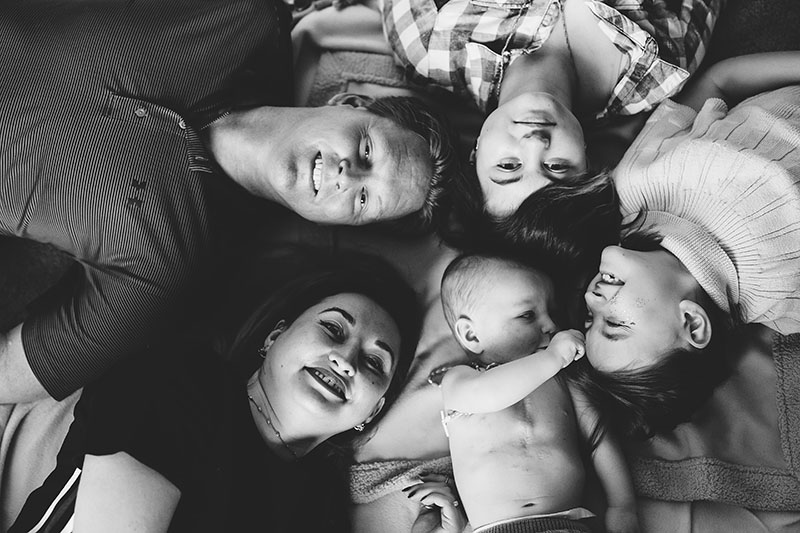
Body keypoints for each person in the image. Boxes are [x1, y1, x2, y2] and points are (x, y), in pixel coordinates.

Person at [0, 0, 458, 406]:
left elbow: (14, 374)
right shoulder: (246, 16)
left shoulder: (165, 268)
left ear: (342, 224)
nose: (347, 175)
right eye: (365, 151)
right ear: (351, 102)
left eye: (362, 199)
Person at [8, 247, 421, 533]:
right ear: (274, 337)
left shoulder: (321, 513)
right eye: (333, 328)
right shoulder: (181, 380)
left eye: (373, 363)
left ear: (372, 411)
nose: (345, 360)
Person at [579, 51, 800, 439]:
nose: (592, 299)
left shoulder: (634, 191)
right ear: (692, 323)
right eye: (612, 323)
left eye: (587, 320)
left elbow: (718, 81)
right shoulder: (781, 294)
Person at [382, 0, 722, 219]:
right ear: (586, 161)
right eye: (557, 166)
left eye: (508, 165)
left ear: (476, 152)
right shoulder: (658, 66)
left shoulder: (428, 48)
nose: (535, 143)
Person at [417, 253, 638, 533]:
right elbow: (491, 394)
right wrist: (554, 357)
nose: (551, 326)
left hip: (569, 524)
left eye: (552, 313)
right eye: (527, 315)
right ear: (472, 335)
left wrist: (623, 504)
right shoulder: (460, 380)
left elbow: (600, 438)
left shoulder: (563, 377)